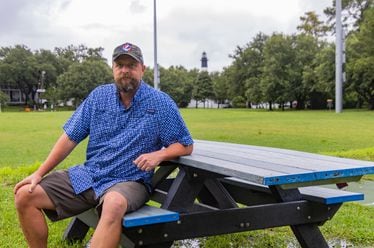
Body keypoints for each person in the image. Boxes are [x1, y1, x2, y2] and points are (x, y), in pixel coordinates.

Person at [14, 42, 194, 248]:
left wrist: (159, 155)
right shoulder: (98, 97)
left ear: (142, 69)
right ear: (113, 68)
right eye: (120, 65)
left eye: (131, 65)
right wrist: (39, 173)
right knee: (24, 196)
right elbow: (70, 137)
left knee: (114, 204)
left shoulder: (161, 103)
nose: (125, 70)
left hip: (129, 180)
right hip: (90, 175)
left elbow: (185, 145)